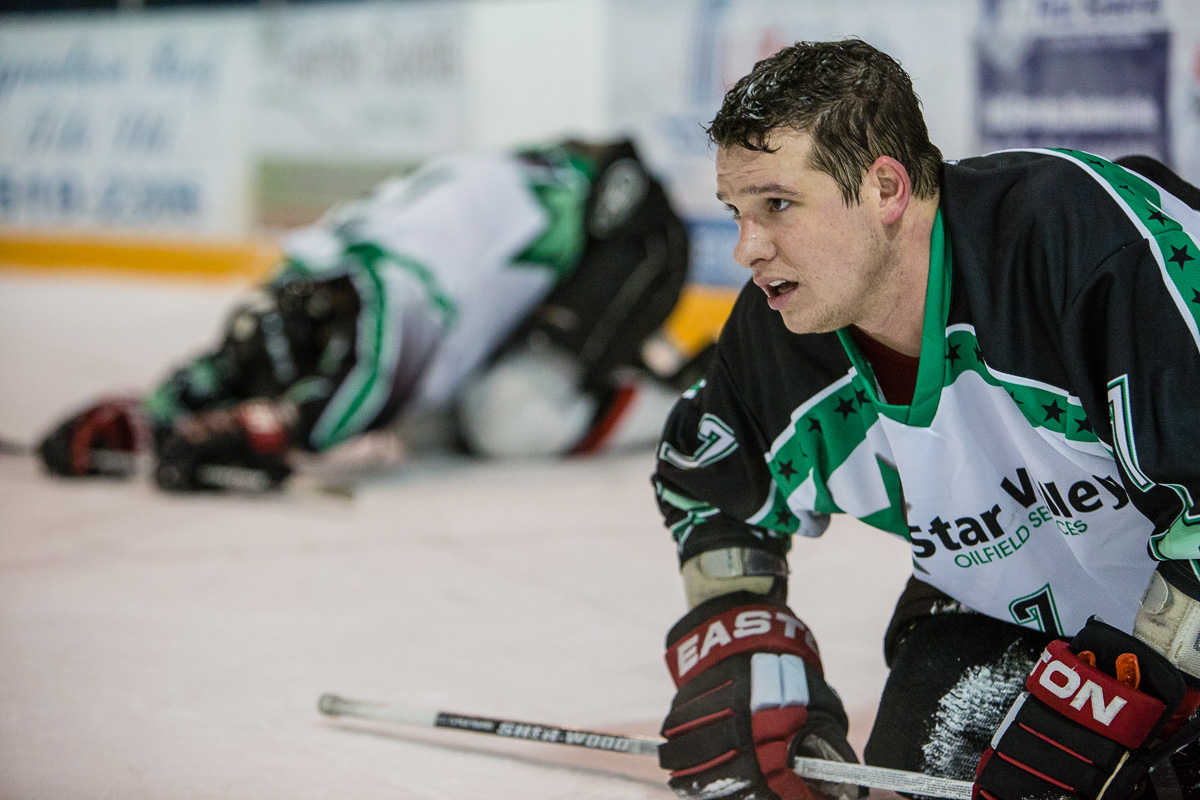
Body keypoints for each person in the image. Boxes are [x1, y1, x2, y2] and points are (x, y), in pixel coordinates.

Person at [650, 38, 1200, 800]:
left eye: (778, 204)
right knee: (928, 741)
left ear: (885, 189)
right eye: (736, 213)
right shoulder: (782, 332)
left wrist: (1138, 686)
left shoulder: (1075, 244)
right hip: (1023, 609)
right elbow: (711, 491)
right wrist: (742, 642)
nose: (748, 247)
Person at [38, 138, 706, 492]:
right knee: (429, 431)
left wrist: (272, 427)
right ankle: (608, 373)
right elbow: (242, 356)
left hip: (623, 224)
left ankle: (700, 391)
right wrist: (145, 414)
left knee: (509, 418)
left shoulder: (394, 291)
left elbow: (353, 388)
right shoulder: (317, 274)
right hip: (568, 217)